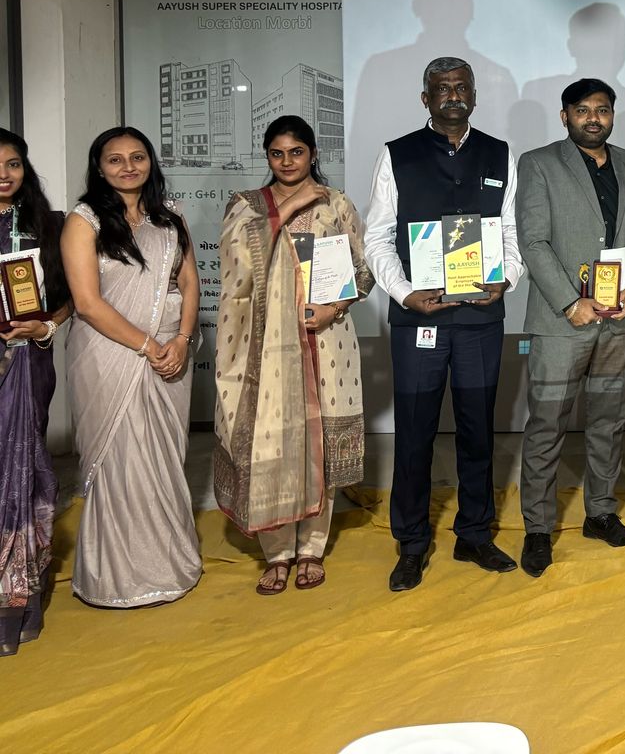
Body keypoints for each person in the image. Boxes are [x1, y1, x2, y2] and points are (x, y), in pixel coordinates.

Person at [365, 57, 525, 592]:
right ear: (426, 98)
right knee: (415, 433)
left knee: (479, 431)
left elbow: (511, 232)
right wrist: (405, 292)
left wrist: (508, 278)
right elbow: (376, 236)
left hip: (480, 318)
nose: (453, 95)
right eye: (442, 88)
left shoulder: (499, 153)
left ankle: (474, 534)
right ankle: (411, 544)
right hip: (419, 321)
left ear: (474, 95)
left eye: (461, 87)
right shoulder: (398, 154)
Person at [214, 116, 373, 594]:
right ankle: (278, 553)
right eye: (277, 153)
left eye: (297, 152)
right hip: (264, 345)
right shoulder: (246, 206)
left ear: (313, 154)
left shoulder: (335, 204)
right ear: (267, 156)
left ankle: (311, 549)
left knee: (319, 441)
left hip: (327, 339)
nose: (287, 162)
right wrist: (283, 213)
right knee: (272, 443)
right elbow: (234, 272)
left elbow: (362, 271)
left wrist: (333, 308)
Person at [513, 78, 625, 577]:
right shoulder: (538, 163)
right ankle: (538, 528)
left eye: (602, 110)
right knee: (547, 425)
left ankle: (600, 513)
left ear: (612, 115)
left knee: (608, 421)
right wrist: (568, 303)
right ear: (565, 116)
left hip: (620, 319)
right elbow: (532, 241)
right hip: (564, 322)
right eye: (582, 110)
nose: (593, 118)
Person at [61, 127, 202, 607]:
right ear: (99, 168)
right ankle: (119, 579)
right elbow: (86, 303)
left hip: (170, 353)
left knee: (163, 460)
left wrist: (182, 340)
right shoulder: (84, 221)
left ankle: (168, 564)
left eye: (137, 157)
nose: (128, 167)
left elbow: (189, 281)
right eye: (115, 159)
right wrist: (148, 345)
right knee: (121, 462)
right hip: (111, 355)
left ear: (150, 162)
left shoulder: (171, 216)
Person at [0, 129, 72, 655]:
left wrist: (45, 327)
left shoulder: (49, 225)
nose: (3, 174)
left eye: (13, 164)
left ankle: (18, 594)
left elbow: (70, 297)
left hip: (28, 362)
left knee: (23, 472)